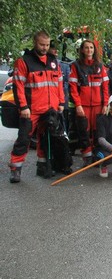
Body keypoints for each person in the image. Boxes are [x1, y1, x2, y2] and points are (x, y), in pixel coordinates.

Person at [8, 31, 66, 183]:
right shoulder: (24, 61)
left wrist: (61, 102)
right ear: (35, 42)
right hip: (31, 109)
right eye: (42, 44)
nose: (45, 48)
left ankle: (42, 166)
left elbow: (59, 84)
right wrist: (23, 106)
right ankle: (16, 169)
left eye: (47, 45)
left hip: (50, 109)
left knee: (46, 139)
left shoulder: (53, 61)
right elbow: (18, 86)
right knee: (24, 139)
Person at [69, 39, 110, 166]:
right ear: (82, 50)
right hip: (84, 106)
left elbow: (105, 87)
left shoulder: (100, 66)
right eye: (86, 48)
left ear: (94, 49)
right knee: (84, 131)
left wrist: (105, 104)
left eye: (91, 48)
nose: (89, 50)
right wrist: (78, 105)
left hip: (98, 105)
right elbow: (73, 87)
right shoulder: (76, 66)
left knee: (98, 131)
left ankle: (97, 157)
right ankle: (87, 157)